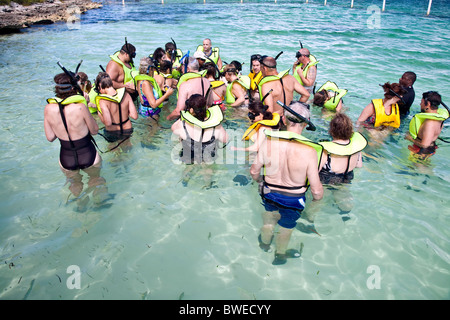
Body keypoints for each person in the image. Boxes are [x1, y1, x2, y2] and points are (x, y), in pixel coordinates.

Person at [250, 101, 323, 265]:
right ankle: (280, 255)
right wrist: (315, 205)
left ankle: (264, 244)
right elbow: (317, 192)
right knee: (286, 227)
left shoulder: (267, 142)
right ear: (305, 124)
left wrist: (260, 182)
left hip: (268, 192)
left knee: (268, 220)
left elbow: (254, 172)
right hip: (293, 198)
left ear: (283, 119)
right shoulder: (309, 151)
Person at [45, 72, 109, 209]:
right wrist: (85, 104)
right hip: (87, 153)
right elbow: (94, 130)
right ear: (74, 88)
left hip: (66, 157)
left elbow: (50, 137)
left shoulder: (49, 108)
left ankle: (80, 205)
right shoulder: (80, 107)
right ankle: (99, 205)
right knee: (96, 179)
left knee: (74, 183)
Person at [318, 113, 367, 220]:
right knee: (344, 198)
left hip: (326, 179)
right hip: (347, 177)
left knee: (318, 202)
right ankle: (345, 216)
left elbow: (315, 170)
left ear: (332, 130)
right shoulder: (356, 146)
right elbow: (359, 165)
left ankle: (309, 220)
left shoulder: (326, 150)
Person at [94, 72, 138, 144]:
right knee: (127, 149)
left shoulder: (103, 101)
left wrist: (99, 113)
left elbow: (108, 123)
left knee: (114, 151)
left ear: (100, 86)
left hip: (113, 132)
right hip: (127, 129)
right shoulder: (126, 94)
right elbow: (134, 116)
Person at [405, 91, 449, 159]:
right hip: (430, 149)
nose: (420, 104)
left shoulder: (430, 123)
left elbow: (425, 145)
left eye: (422, 102)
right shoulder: (439, 118)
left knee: (420, 169)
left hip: (421, 153)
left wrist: (409, 138)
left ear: (428, 104)